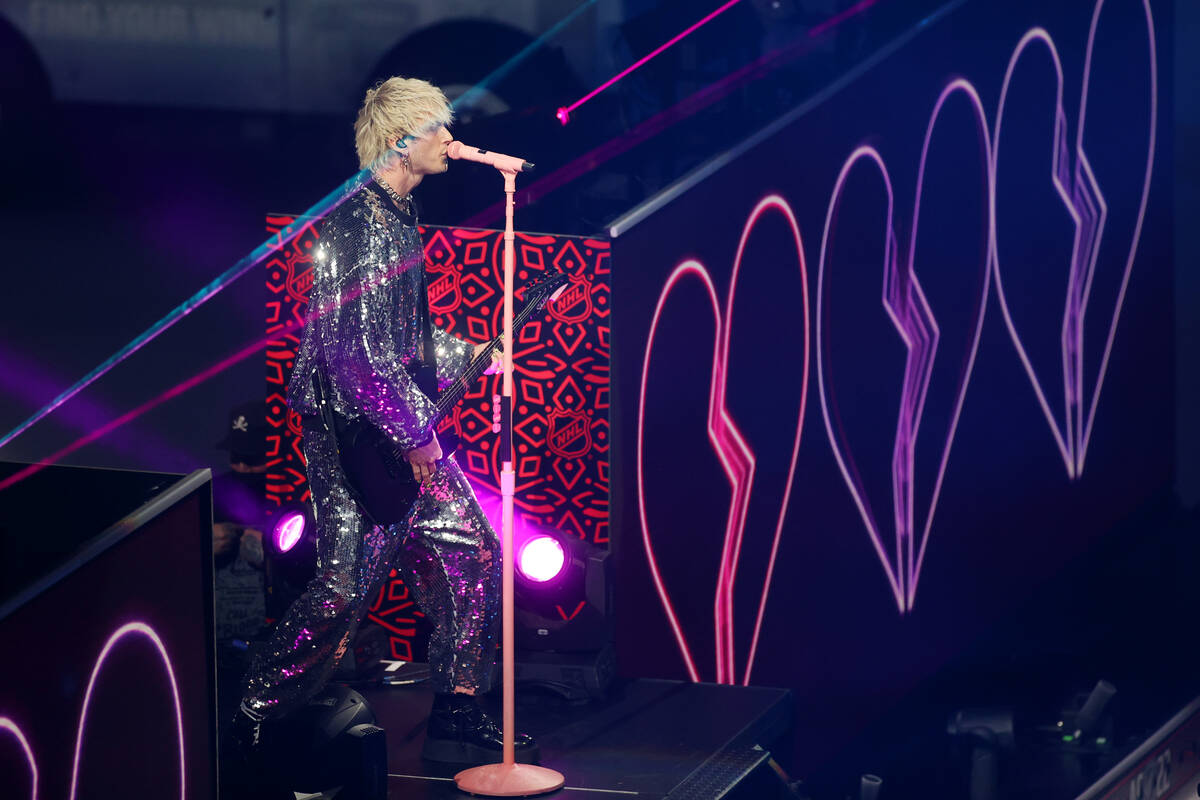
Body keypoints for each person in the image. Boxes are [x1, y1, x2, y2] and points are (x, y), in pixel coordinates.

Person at [235, 76, 535, 765]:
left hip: (398, 430)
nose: (450, 141)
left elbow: (403, 343)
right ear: (402, 141)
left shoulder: (399, 215)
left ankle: (459, 707)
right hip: (351, 436)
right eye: (438, 129)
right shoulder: (357, 226)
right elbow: (354, 358)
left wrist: (480, 355)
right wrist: (420, 437)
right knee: (344, 584)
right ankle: (257, 707)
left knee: (472, 550)